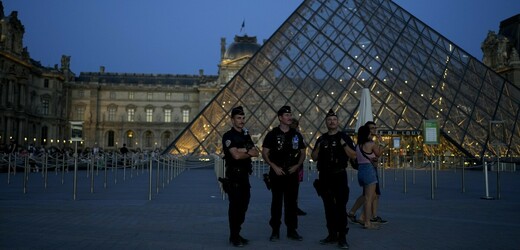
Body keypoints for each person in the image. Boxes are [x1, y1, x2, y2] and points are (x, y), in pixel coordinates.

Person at [311, 109, 356, 249]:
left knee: (341, 206)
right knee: (328, 207)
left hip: (339, 175)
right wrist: (317, 148)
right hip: (324, 176)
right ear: (326, 122)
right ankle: (331, 234)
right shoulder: (321, 138)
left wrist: (343, 144)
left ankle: (342, 236)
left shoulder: (344, 137)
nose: (332, 122)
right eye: (329, 120)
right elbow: (314, 157)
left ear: (338, 122)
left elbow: (353, 155)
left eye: (334, 120)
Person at [262, 106, 306, 242]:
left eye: (290, 114)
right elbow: (264, 152)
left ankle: (292, 230)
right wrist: (274, 166)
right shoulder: (272, 134)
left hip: (291, 173)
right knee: (276, 203)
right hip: (277, 172)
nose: (290, 117)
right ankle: (275, 230)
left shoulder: (296, 134)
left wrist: (297, 166)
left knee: (291, 203)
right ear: (280, 118)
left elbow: (304, 152)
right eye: (287, 115)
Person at [222, 106, 259, 247]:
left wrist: (242, 150)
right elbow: (236, 156)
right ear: (232, 120)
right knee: (235, 207)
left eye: (243, 118)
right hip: (233, 176)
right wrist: (246, 151)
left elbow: (256, 153)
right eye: (239, 118)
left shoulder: (246, 135)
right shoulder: (228, 136)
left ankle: (237, 233)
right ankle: (234, 236)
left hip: (244, 176)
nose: (242, 121)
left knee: (244, 206)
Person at [348, 122, 388, 225]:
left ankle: (359, 215)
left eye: (375, 127)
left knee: (369, 195)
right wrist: (382, 143)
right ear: (367, 131)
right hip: (369, 171)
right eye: (372, 128)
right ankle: (366, 221)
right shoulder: (371, 143)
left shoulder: (358, 145)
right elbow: (378, 153)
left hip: (361, 172)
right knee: (369, 198)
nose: (374, 130)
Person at [289, 118, 307, 216]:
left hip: (296, 164)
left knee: (294, 187)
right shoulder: (297, 135)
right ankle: (293, 206)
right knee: (295, 187)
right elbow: (304, 148)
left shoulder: (297, 135)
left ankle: (293, 206)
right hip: (297, 164)